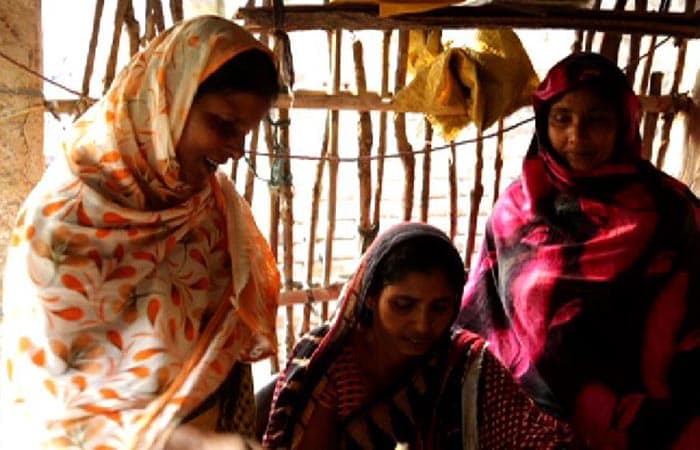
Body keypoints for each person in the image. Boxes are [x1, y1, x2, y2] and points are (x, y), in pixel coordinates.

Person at [0, 16, 281, 450]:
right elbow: (51, 408)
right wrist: (187, 443)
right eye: (223, 125)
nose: (236, 150)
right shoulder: (64, 224)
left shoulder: (212, 211)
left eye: (243, 133)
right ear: (167, 102)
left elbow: (225, 355)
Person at [458, 52, 700, 450]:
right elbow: (480, 320)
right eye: (562, 118)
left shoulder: (671, 213)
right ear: (543, 122)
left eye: (597, 120)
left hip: (648, 432)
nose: (577, 136)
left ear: (623, 122)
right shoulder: (515, 213)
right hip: (526, 432)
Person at [263, 222, 576, 449]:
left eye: (440, 307)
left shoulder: (464, 364)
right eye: (403, 305)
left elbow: (536, 441)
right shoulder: (330, 364)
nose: (422, 325)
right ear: (370, 297)